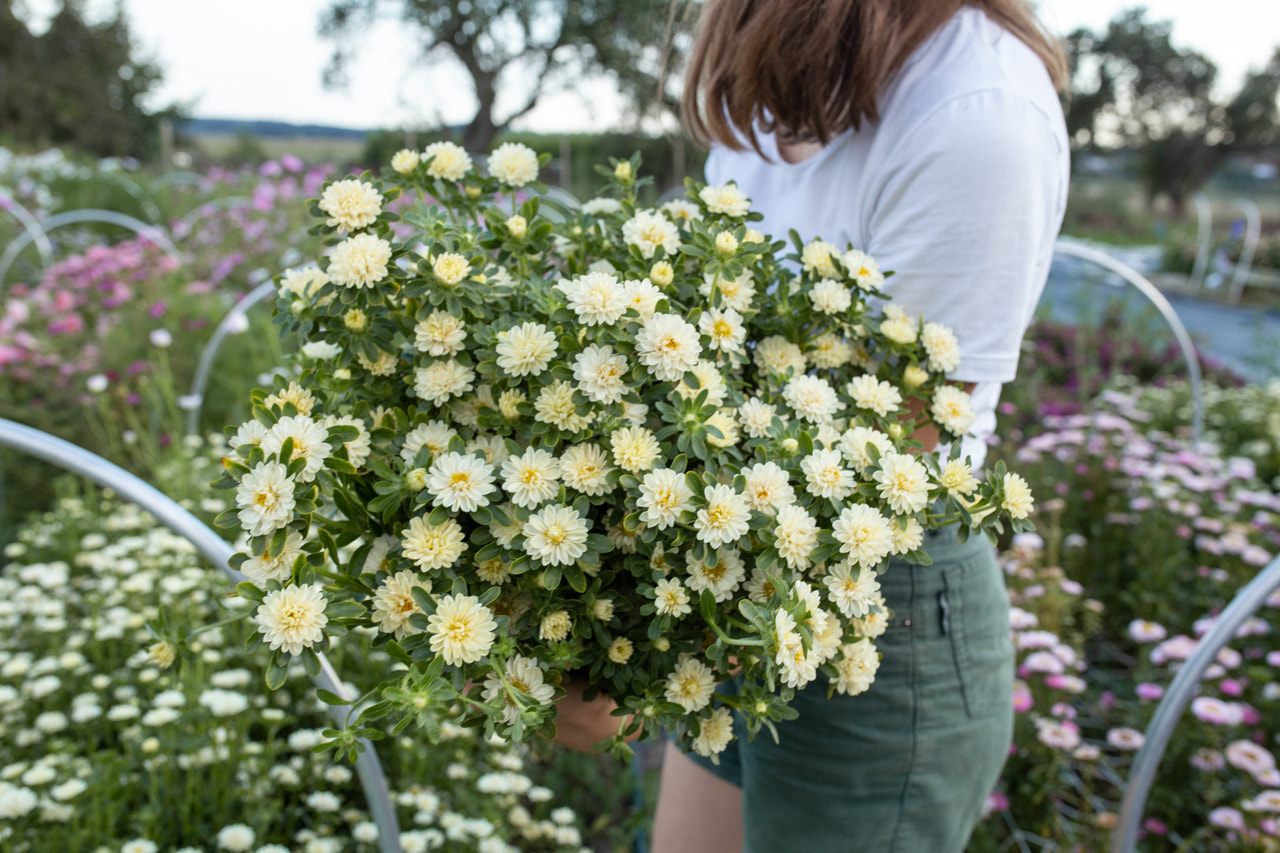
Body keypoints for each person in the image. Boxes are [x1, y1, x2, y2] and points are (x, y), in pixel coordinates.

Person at [648, 2, 1070, 851]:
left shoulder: (975, 111)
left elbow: (882, 459)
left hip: (876, 605)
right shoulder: (775, 77)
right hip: (738, 559)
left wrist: (625, 639)